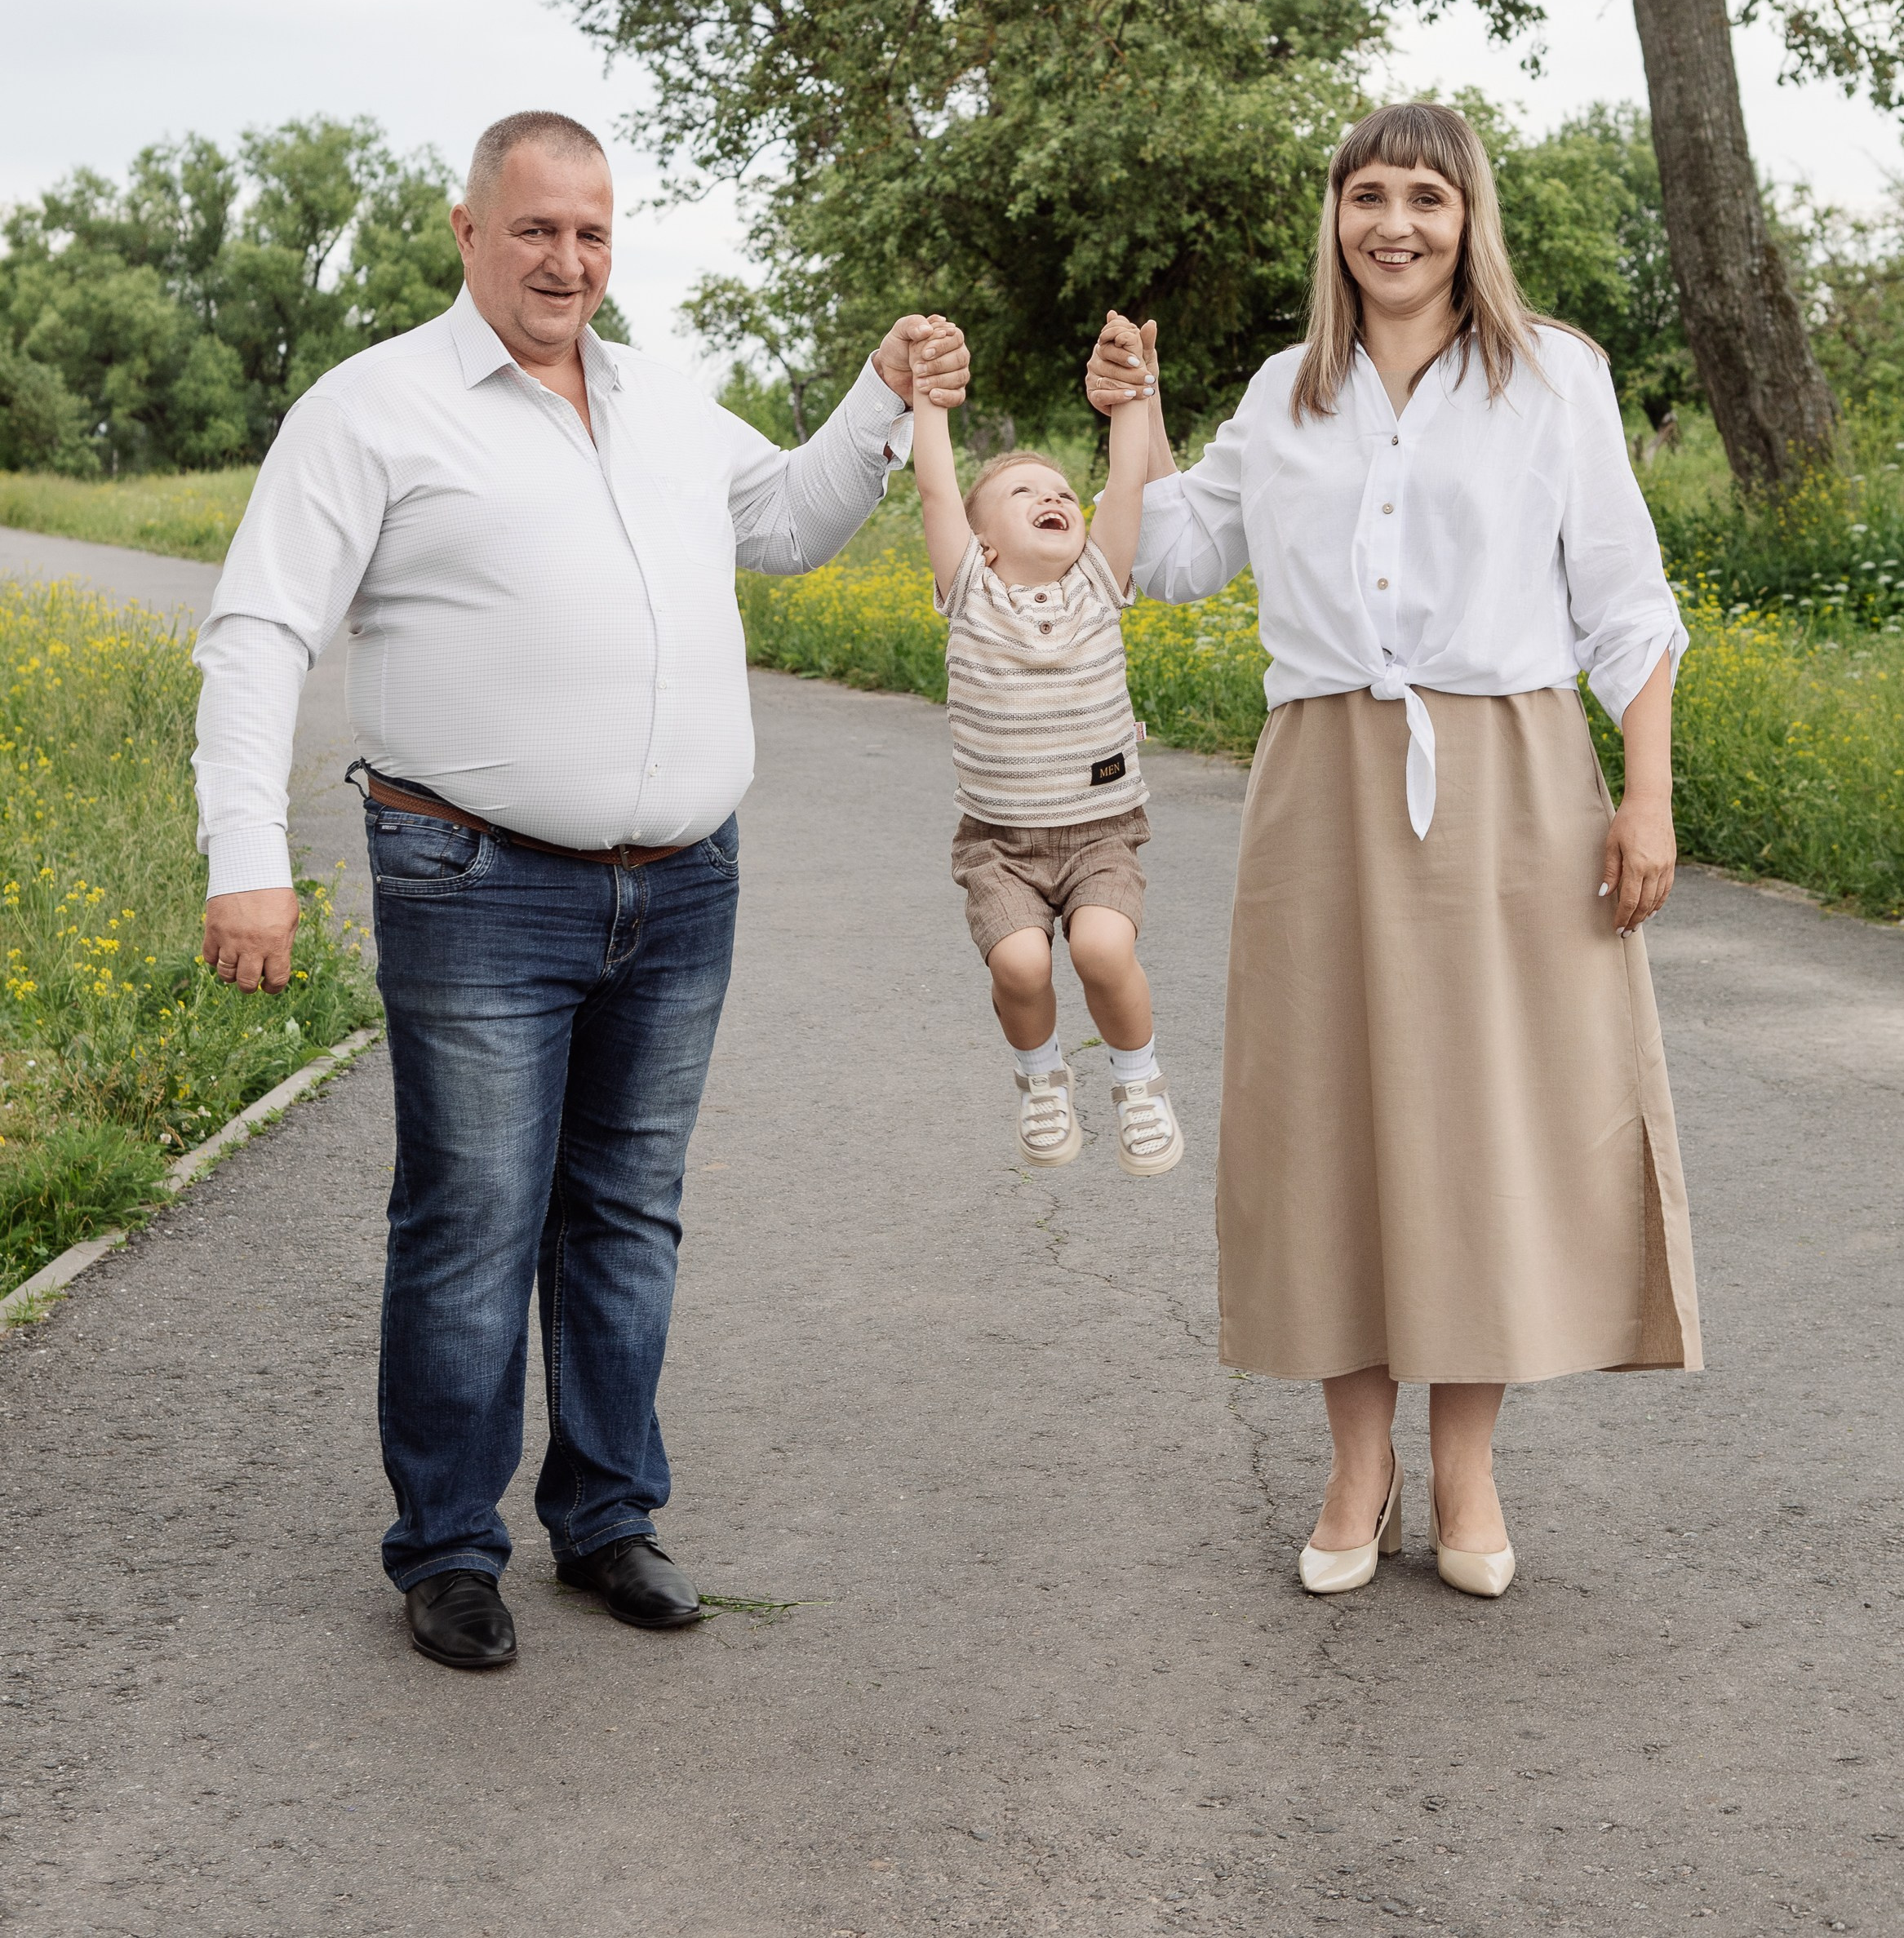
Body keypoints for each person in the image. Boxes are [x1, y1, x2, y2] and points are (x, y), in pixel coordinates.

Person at [193, 109, 969, 1671]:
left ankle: (607, 1516)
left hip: (682, 886)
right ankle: (450, 1548)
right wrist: (248, 863)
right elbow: (260, 631)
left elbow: (790, 529)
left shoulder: (662, 399)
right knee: (474, 1219)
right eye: (537, 228)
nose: (568, 261)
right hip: (474, 878)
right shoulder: (374, 411)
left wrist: (878, 400)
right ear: (466, 229)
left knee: (626, 1213)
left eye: (594, 233)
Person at [1086, 100, 1700, 1600]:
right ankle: (1356, 1468)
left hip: (1508, 769)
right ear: (1335, 219)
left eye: (1425, 196)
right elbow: (1162, 560)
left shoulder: (1550, 377)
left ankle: (1468, 1469)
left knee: (1484, 1114)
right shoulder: (1283, 394)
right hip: (1322, 778)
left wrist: (1645, 794)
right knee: (1327, 1115)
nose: (1395, 225)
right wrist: (1128, 416)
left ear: (1467, 216)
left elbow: (1625, 599)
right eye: (1368, 195)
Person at [908, 320, 1183, 1177]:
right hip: (1001, 845)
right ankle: (1040, 1077)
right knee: (1022, 962)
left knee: (1102, 950)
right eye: (1023, 492)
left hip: (1100, 831)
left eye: (1059, 488)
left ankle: (1138, 1082)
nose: (1050, 495)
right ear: (983, 541)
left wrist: (1133, 390)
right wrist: (926, 402)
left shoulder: (1100, 582)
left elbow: (1129, 484)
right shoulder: (969, 594)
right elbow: (934, 493)